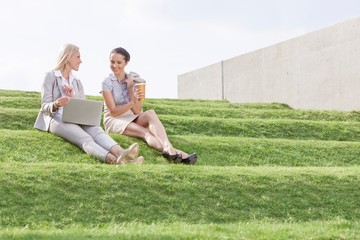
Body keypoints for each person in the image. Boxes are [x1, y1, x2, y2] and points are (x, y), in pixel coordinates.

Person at [34, 43, 144, 164]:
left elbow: (82, 106)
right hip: (56, 118)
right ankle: (115, 161)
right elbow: (44, 106)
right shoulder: (50, 76)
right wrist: (56, 104)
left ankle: (121, 154)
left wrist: (72, 96)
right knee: (85, 139)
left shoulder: (76, 81)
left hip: (75, 116)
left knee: (97, 130)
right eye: (78, 57)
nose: (80, 61)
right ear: (68, 57)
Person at [100, 47, 197, 164]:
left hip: (130, 115)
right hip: (114, 119)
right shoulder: (106, 83)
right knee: (145, 132)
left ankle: (169, 148)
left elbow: (136, 111)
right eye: (112, 62)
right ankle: (180, 155)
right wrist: (131, 102)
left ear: (126, 63)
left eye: (119, 62)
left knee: (150, 113)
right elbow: (113, 112)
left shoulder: (134, 80)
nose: (115, 65)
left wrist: (130, 89)